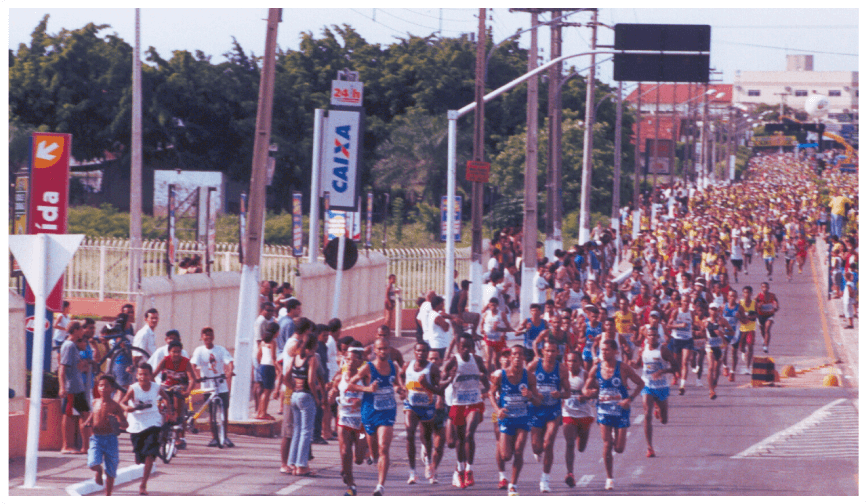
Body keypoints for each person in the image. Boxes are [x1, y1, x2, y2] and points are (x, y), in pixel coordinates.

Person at [582, 339, 645, 491]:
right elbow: (585, 389)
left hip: (621, 411)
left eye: (607, 350)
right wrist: (589, 392)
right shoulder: (596, 369)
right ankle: (609, 478)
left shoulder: (623, 368)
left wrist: (630, 399)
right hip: (604, 410)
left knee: (619, 448)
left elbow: (641, 383)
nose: (603, 352)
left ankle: (616, 449)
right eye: (602, 350)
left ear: (616, 352)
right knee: (607, 443)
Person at [349, 336, 406, 496]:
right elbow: (351, 384)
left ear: (389, 350)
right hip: (370, 412)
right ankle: (373, 457)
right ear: (375, 350)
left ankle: (380, 486)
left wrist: (400, 390)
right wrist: (368, 389)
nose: (383, 351)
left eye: (385, 348)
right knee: (374, 451)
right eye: (380, 349)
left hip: (387, 411)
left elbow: (395, 383)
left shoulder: (393, 366)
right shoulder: (368, 368)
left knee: (384, 447)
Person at [489, 345, 541, 496]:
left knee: (518, 451)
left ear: (524, 358)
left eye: (520, 355)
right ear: (510, 357)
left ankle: (513, 485)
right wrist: (497, 410)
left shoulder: (530, 377)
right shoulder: (499, 375)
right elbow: (490, 393)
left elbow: (538, 401)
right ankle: (502, 470)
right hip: (506, 418)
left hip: (523, 418)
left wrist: (531, 396)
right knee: (506, 455)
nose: (517, 357)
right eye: (514, 354)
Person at [441, 333, 489, 489]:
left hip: (474, 403)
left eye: (469, 346)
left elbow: (487, 384)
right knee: (459, 440)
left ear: (473, 347)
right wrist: (449, 377)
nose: (466, 350)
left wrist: (483, 382)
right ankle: (460, 469)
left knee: (469, 434)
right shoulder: (453, 361)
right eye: (463, 347)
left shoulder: (478, 360)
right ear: (458, 347)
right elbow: (441, 382)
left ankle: (469, 470)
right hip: (458, 404)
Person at [121, 363, 170, 495]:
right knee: (139, 458)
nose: (143, 377)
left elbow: (166, 398)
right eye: (140, 374)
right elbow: (123, 402)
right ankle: (142, 459)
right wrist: (127, 409)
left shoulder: (156, 387)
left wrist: (168, 411)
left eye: (146, 374)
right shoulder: (133, 388)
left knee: (150, 453)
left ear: (150, 375)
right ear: (137, 376)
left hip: (153, 422)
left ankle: (143, 485)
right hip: (137, 425)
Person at [527, 341, 570, 493]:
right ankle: (536, 451)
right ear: (543, 352)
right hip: (536, 408)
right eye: (548, 351)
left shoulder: (562, 369)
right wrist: (530, 393)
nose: (550, 354)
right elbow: (523, 381)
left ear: (558, 352)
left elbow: (568, 393)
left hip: (553, 409)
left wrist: (560, 394)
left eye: (553, 351)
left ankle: (545, 479)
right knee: (537, 446)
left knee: (548, 442)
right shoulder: (534, 365)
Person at [329, 342, 368, 495]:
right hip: (344, 419)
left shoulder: (365, 379)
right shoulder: (340, 378)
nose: (350, 362)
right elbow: (332, 395)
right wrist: (331, 396)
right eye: (348, 359)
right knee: (345, 452)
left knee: (358, 458)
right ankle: (351, 485)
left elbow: (372, 396)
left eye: (354, 360)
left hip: (361, 424)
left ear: (360, 361)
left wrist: (362, 401)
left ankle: (348, 467)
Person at [635, 311, 675, 457]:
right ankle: (649, 447)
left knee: (664, 420)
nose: (651, 338)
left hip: (662, 387)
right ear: (646, 337)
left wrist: (663, 371)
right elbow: (639, 365)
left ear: (658, 337)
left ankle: (659, 408)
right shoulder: (642, 350)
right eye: (649, 335)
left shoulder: (663, 350)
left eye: (654, 335)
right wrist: (633, 364)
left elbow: (676, 367)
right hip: (647, 386)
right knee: (647, 415)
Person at [400, 341, 441, 485]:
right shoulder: (408, 366)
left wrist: (426, 385)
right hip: (411, 405)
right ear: (414, 351)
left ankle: (429, 463)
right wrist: (402, 388)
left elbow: (439, 390)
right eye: (418, 350)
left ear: (428, 352)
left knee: (426, 438)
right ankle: (412, 472)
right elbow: (400, 376)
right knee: (410, 434)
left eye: (424, 351)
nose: (421, 353)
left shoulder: (433, 369)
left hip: (427, 407)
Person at [190, 327, 235, 448]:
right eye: (205, 335)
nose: (208, 337)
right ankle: (214, 437)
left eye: (210, 335)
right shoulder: (199, 351)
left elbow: (230, 362)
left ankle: (225, 437)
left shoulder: (220, 350)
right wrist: (196, 377)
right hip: (207, 385)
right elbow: (192, 365)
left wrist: (229, 372)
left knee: (224, 412)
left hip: (221, 384)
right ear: (202, 337)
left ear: (213, 337)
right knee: (211, 412)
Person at [83, 375, 128, 496]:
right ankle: (98, 471)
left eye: (106, 386)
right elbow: (93, 414)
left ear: (112, 388)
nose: (103, 388)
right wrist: (88, 421)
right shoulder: (95, 402)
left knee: (111, 469)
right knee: (92, 463)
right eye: (100, 385)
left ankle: (108, 495)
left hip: (111, 439)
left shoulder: (115, 406)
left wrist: (116, 422)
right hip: (96, 438)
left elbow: (125, 423)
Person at [286, 329, 322, 476]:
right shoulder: (312, 359)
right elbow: (311, 381)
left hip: (294, 396)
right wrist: (317, 397)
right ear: (314, 345)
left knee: (297, 431)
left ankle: (292, 463)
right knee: (306, 432)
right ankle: (302, 465)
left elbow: (285, 376)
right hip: (306, 396)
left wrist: (293, 386)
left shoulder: (295, 358)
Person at [153, 340, 195, 449]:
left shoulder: (186, 362)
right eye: (174, 352)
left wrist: (188, 391)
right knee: (158, 404)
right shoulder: (165, 361)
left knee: (178, 398)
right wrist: (154, 387)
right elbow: (153, 374)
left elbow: (192, 379)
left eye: (178, 352)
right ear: (169, 352)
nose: (176, 354)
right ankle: (159, 428)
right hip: (165, 386)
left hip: (179, 387)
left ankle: (178, 432)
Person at [561, 351, 594, 488]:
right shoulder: (563, 374)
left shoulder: (585, 374)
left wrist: (586, 396)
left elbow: (595, 390)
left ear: (580, 362)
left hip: (585, 415)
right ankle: (570, 473)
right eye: (569, 361)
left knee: (580, 447)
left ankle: (571, 472)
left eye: (574, 361)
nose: (571, 364)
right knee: (569, 443)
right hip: (568, 413)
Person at [59, 322, 91, 454]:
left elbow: (74, 366)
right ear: (76, 330)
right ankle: (66, 445)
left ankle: (85, 447)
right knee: (69, 415)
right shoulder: (69, 345)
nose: (83, 332)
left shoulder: (73, 346)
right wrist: (62, 387)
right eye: (81, 329)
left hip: (77, 386)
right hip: (71, 387)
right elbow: (62, 367)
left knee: (84, 415)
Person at [425, 349, 448, 484]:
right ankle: (426, 455)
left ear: (440, 361)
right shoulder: (420, 373)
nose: (433, 361)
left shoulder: (443, 375)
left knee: (439, 445)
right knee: (427, 441)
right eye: (431, 359)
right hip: (424, 412)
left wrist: (440, 398)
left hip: (441, 412)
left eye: (436, 359)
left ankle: (433, 470)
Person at [702, 303, 734, 399]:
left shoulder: (722, 321)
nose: (713, 311)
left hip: (720, 347)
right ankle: (711, 391)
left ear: (718, 310)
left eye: (715, 309)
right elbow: (702, 333)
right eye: (712, 309)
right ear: (709, 310)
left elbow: (732, 331)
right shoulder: (705, 322)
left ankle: (714, 381)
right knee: (710, 367)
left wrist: (722, 333)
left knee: (717, 369)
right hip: (710, 346)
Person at [668, 296, 695, 395]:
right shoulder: (676, 312)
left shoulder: (691, 312)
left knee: (685, 362)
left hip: (687, 339)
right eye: (684, 301)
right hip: (677, 339)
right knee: (676, 362)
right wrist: (679, 326)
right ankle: (675, 376)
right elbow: (668, 325)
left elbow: (693, 324)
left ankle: (682, 385)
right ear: (681, 302)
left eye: (688, 301)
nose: (686, 303)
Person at [480, 297, 513, 373]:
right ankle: (488, 377)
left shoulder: (501, 314)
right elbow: (482, 323)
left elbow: (508, 327)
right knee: (488, 359)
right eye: (491, 305)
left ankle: (498, 374)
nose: (492, 307)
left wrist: (500, 329)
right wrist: (482, 329)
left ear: (497, 305)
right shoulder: (486, 314)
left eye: (494, 305)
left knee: (497, 359)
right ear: (489, 305)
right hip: (488, 338)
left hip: (498, 339)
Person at [256, 322, 280, 420]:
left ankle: (260, 412)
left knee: (265, 391)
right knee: (267, 391)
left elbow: (258, 355)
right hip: (269, 367)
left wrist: (261, 364)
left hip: (263, 366)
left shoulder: (262, 342)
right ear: (275, 332)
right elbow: (274, 358)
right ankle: (263, 413)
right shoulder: (273, 342)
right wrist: (278, 369)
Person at [737, 286, 759, 375]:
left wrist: (751, 317)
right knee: (741, 347)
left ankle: (747, 367)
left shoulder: (754, 303)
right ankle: (743, 352)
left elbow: (757, 315)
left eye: (748, 293)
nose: (746, 294)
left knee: (750, 346)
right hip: (742, 328)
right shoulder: (740, 303)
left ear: (751, 294)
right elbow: (737, 314)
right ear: (743, 293)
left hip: (751, 328)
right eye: (745, 292)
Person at [755, 282, 780, 354]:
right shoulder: (758, 296)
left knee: (767, 328)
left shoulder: (772, 295)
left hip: (769, 315)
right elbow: (754, 304)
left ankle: (766, 346)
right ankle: (764, 339)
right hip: (761, 315)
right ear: (761, 288)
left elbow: (776, 302)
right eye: (763, 287)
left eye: (766, 287)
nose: (765, 288)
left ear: (768, 288)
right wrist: (758, 305)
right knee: (763, 330)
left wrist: (776, 307)